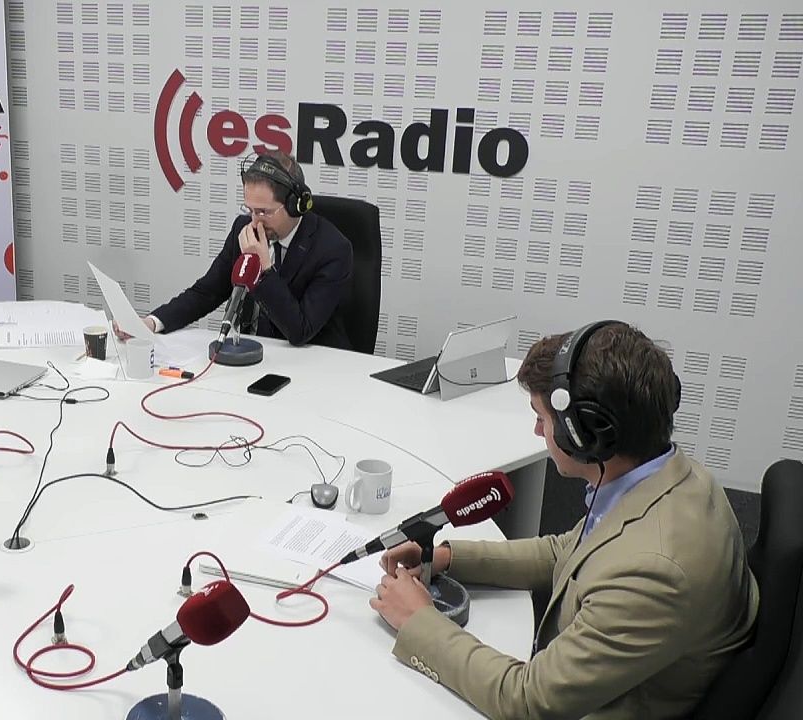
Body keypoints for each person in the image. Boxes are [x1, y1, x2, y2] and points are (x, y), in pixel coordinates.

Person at [370, 321, 758, 719]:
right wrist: (448, 558)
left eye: (542, 417)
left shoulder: (655, 571)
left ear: (586, 434)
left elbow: (528, 701)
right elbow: (567, 552)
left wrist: (419, 621)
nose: (537, 430)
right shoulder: (671, 475)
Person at [122, 151, 354, 349]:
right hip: (251, 356)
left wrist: (264, 271)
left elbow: (300, 330)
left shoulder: (332, 249)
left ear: (296, 206)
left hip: (312, 364)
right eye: (250, 210)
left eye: (264, 212)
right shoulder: (243, 229)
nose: (255, 221)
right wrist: (153, 322)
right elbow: (207, 292)